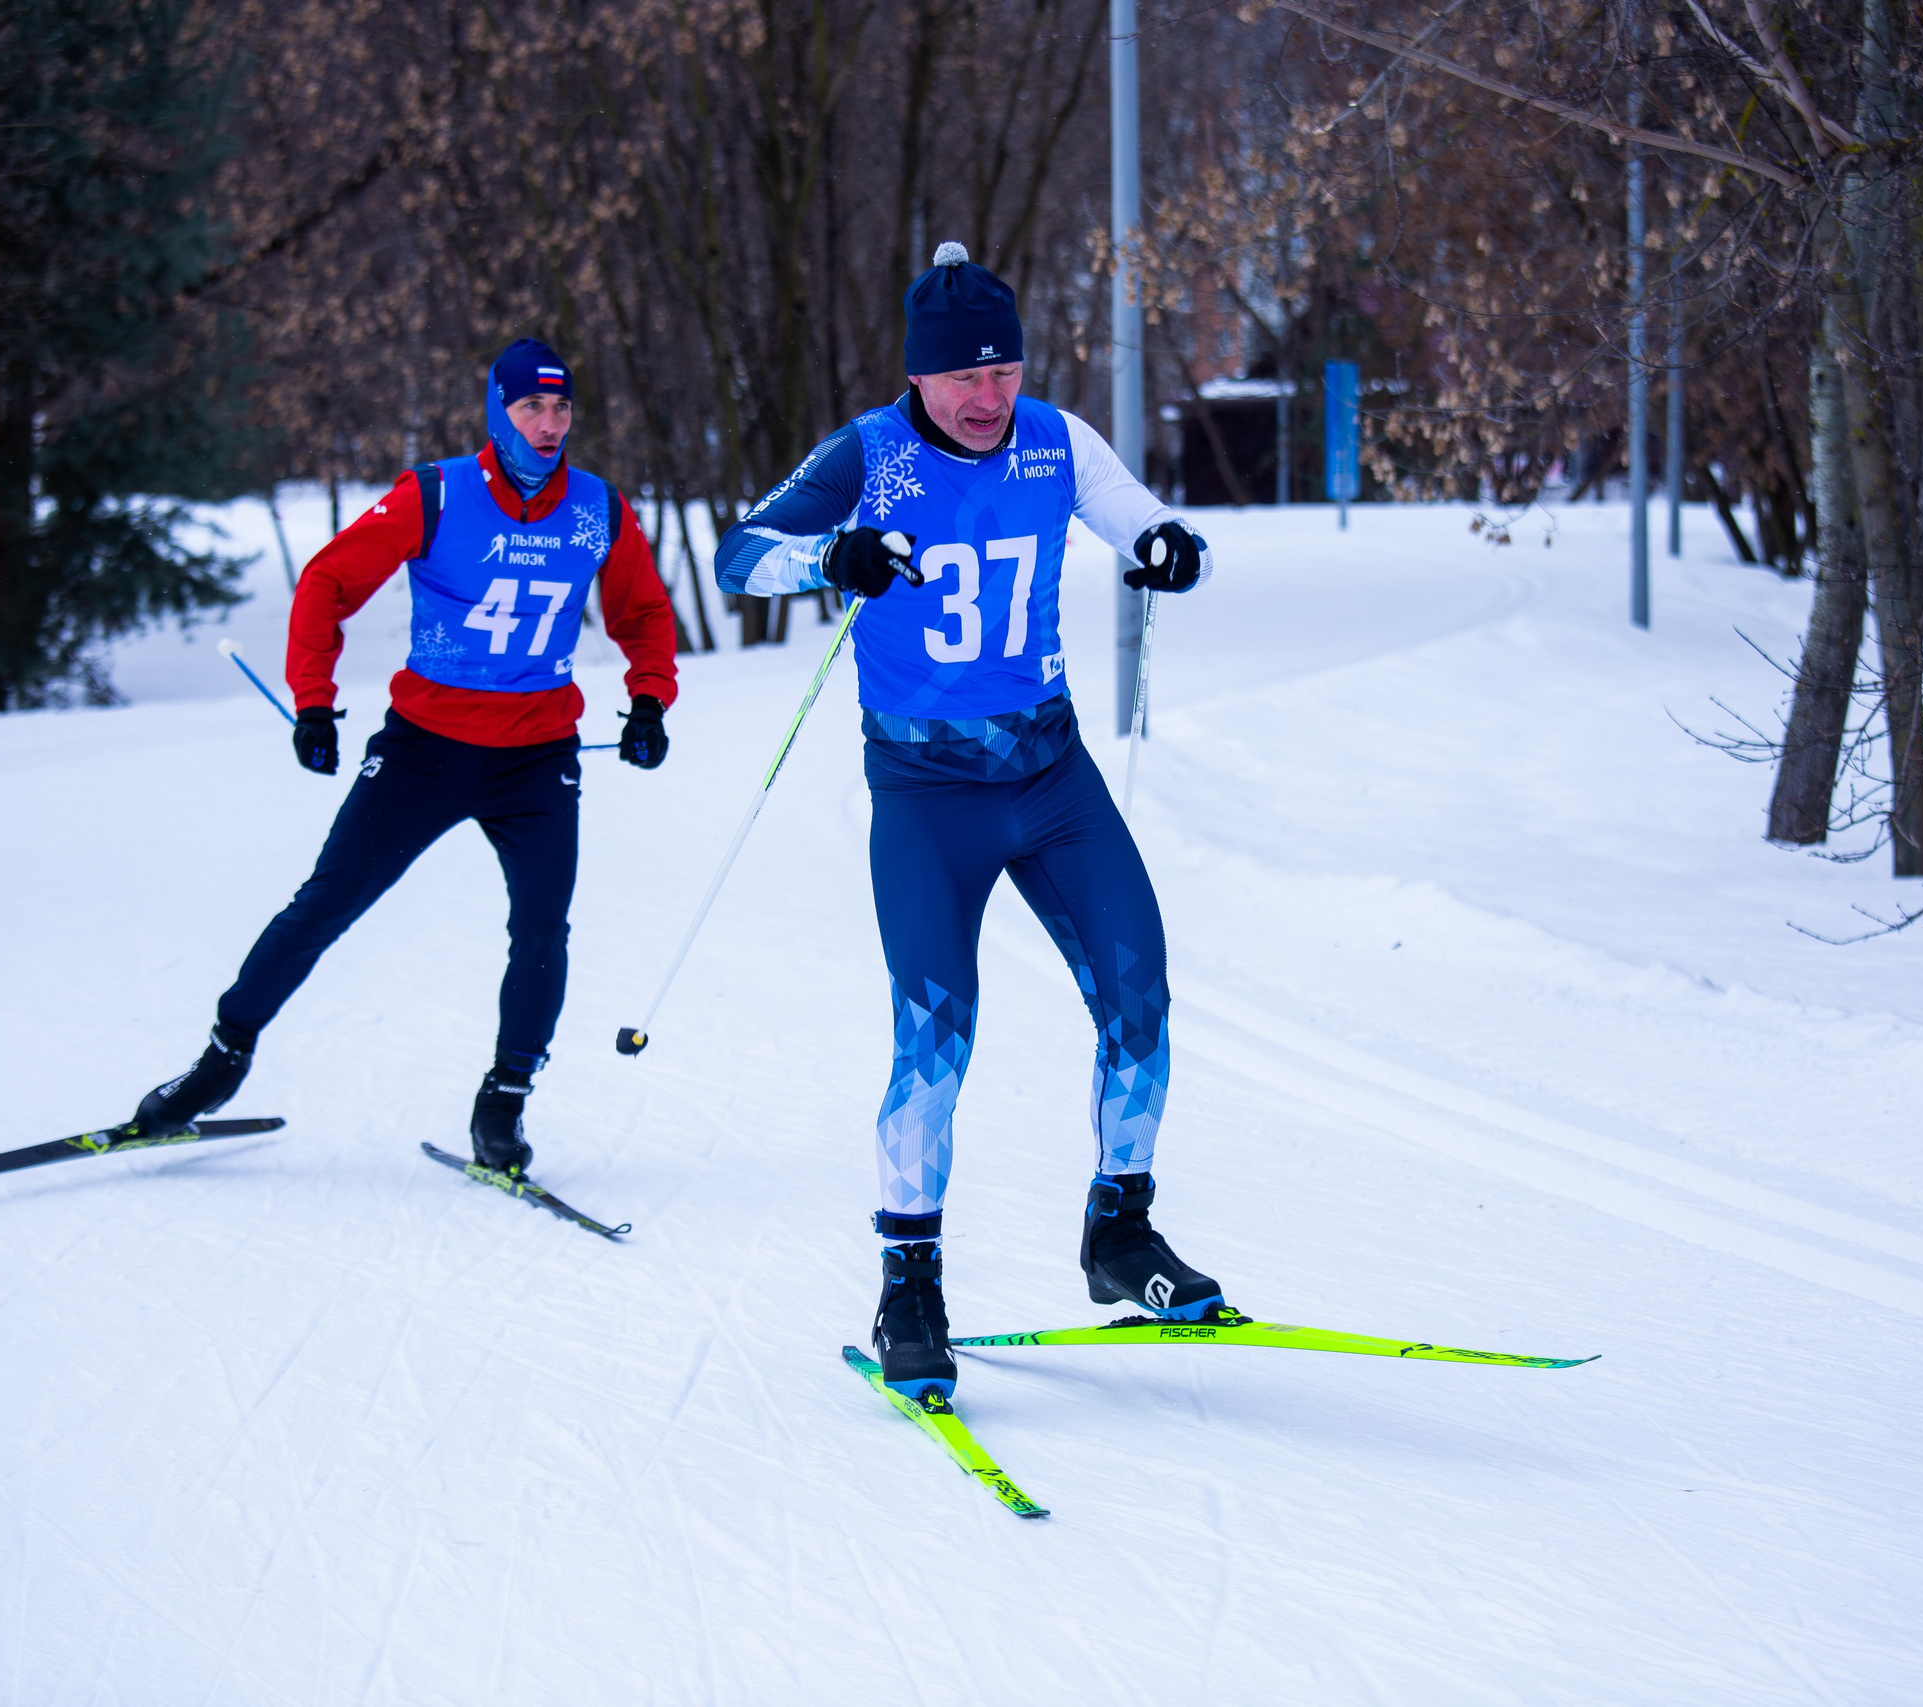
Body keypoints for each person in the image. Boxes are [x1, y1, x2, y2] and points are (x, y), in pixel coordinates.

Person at [715, 242, 1222, 1396]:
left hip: (1050, 778)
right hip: (926, 794)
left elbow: (1133, 514)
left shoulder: (1052, 436)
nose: (990, 399)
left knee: (1138, 996)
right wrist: (828, 556)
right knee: (935, 1041)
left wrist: (1164, 548)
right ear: (921, 377)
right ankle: (910, 1287)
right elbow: (737, 557)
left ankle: (1119, 1234)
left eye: (1006, 372)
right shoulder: (870, 455)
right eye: (966, 380)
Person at [129, 338, 680, 1176]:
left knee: (541, 930)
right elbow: (326, 582)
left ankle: (504, 1101)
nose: (549, 422)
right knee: (325, 905)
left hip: (536, 758)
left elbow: (641, 609)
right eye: (530, 406)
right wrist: (314, 700)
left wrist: (649, 699)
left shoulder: (598, 507)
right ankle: (219, 1060)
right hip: (426, 747)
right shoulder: (437, 493)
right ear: (499, 413)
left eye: (562, 406)